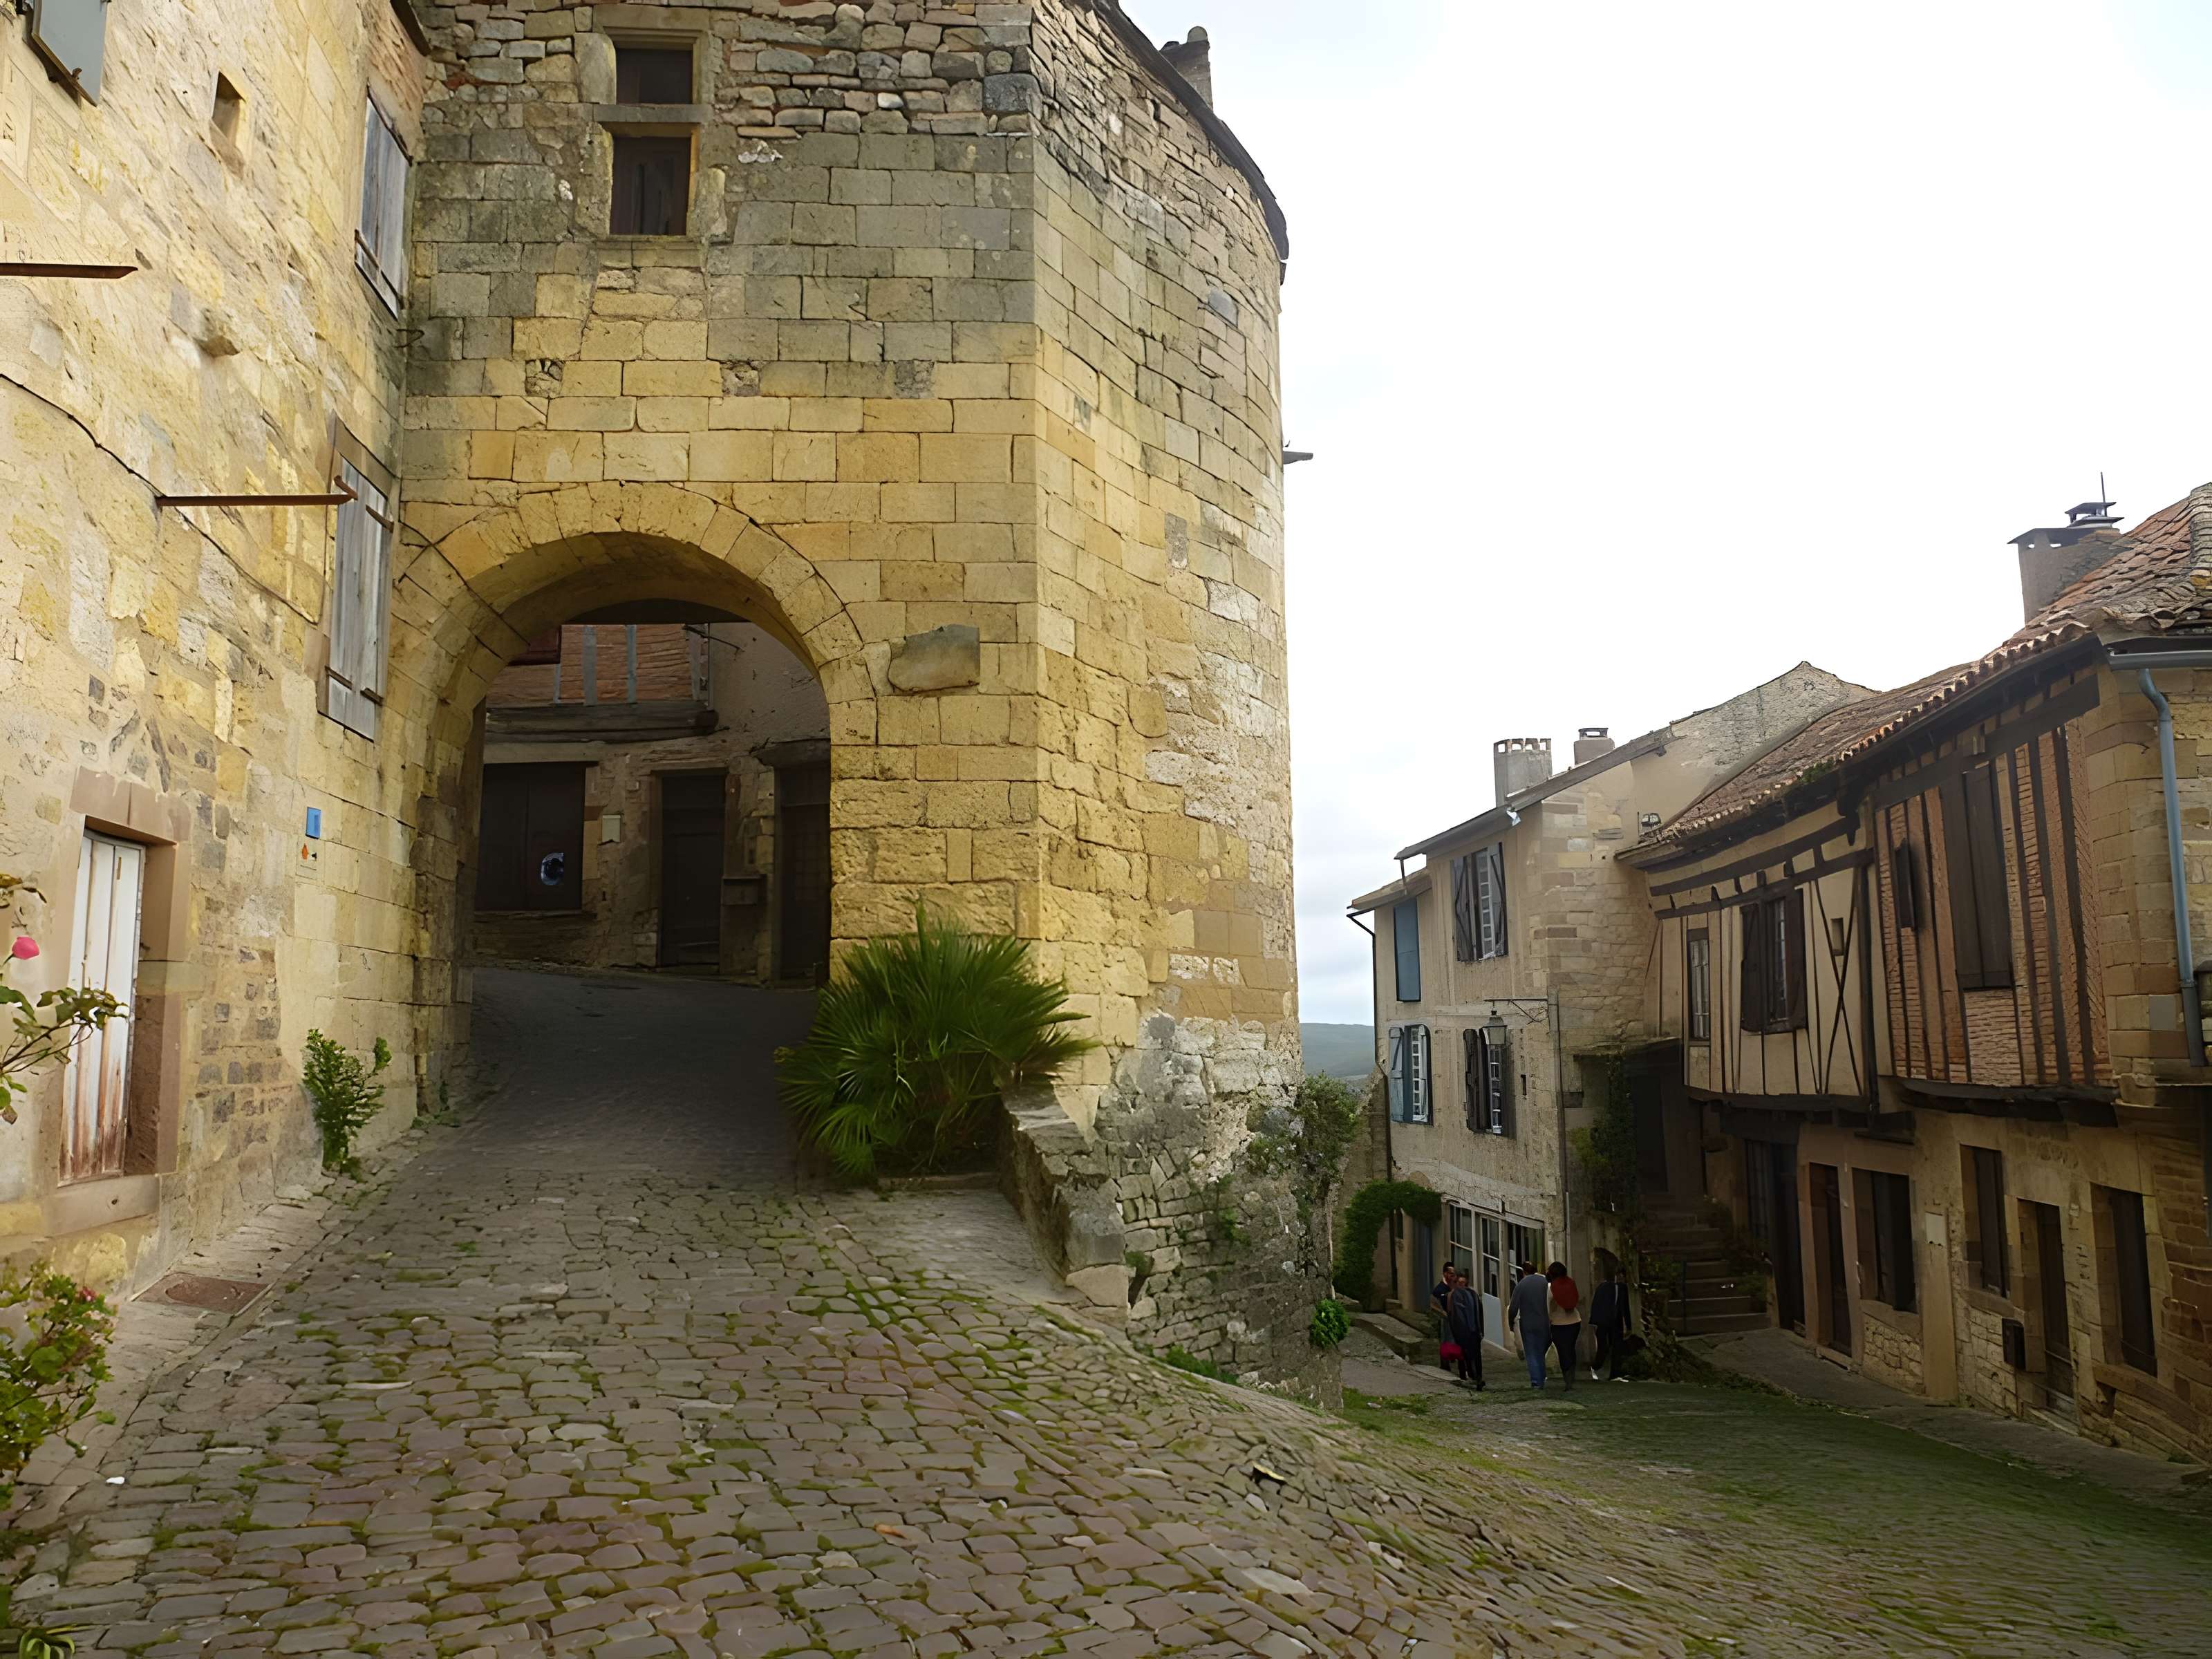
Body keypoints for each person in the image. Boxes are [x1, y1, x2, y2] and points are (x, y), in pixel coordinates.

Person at [1506, 1262, 1552, 1389]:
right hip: (1545, 1322)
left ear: (1523, 1272)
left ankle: (1537, 1382)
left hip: (1528, 1324)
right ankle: (1542, 1377)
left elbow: (1513, 1307)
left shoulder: (1522, 1284)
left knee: (1532, 1353)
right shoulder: (1545, 1282)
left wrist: (1511, 1324)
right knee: (1541, 1352)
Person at [1444, 1266, 1485, 1389]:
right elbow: (1453, 1315)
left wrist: (1481, 1330)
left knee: (1476, 1355)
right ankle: (1469, 1376)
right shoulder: (1454, 1295)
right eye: (1460, 1282)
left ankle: (1477, 1377)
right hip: (1463, 1332)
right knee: (1465, 1355)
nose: (1462, 1285)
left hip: (1474, 1331)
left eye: (1464, 1282)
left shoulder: (1473, 1295)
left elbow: (1480, 1313)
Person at [1591, 1262, 1632, 1380]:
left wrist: (1594, 1322)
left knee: (1606, 1347)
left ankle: (1602, 1369)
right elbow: (1625, 1308)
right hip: (1612, 1322)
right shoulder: (1621, 1288)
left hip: (1604, 1322)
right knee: (1612, 1347)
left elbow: (1595, 1305)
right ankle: (1608, 1370)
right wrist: (1629, 1326)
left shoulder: (1601, 1287)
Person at [1546, 1262, 1582, 1394]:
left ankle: (1568, 1382)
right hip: (1575, 1322)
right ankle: (1571, 1378)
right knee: (1571, 1349)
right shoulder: (1571, 1283)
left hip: (1558, 1324)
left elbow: (1547, 1309)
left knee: (1563, 1352)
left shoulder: (1551, 1290)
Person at [1430, 1267, 1454, 1370]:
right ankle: (1444, 1364)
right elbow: (1434, 1303)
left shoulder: (1450, 1287)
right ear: (1445, 1274)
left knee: (1449, 1340)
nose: (1453, 1276)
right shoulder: (1440, 1289)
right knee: (1445, 1340)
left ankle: (1448, 1360)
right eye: (1451, 1274)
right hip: (1443, 1318)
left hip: (1450, 1318)